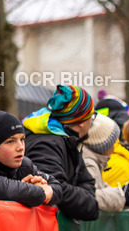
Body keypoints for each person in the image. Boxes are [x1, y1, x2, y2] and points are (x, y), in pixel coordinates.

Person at [22, 85, 100, 221]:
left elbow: (88, 185)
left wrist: (89, 202)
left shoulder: (66, 140)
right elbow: (52, 188)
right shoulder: (47, 143)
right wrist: (89, 203)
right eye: (92, 115)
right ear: (82, 121)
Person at [81, 112, 129, 212]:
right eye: (112, 144)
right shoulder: (89, 164)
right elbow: (91, 197)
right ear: (103, 146)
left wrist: (123, 194)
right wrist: (123, 195)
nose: (114, 149)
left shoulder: (96, 162)